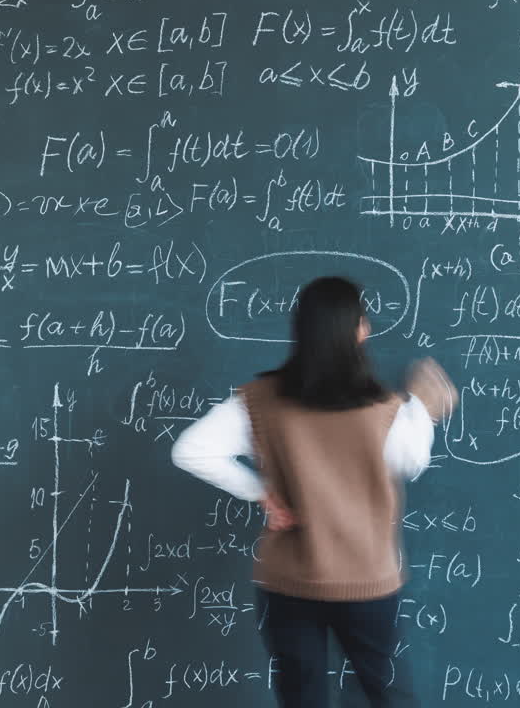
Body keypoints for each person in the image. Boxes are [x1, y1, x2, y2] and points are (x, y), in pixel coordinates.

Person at [170, 275, 456, 707]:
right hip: (366, 580)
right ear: (356, 331)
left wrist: (262, 493)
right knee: (385, 692)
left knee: (301, 695)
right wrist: (422, 409)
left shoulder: (258, 401)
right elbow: (412, 462)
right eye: (364, 320)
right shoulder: (384, 410)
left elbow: (191, 451)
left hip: (288, 580)